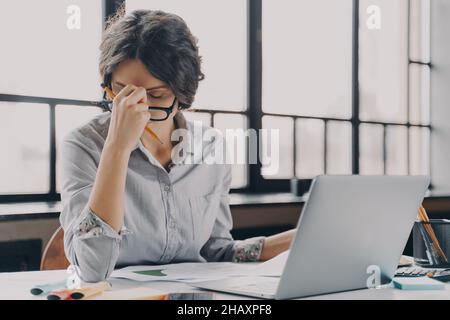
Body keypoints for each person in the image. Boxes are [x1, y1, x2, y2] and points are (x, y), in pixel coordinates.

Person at [60, 8, 295, 282]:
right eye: (121, 92)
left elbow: (216, 251)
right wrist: (117, 148)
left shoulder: (211, 147)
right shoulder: (84, 145)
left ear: (182, 94)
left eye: (155, 95)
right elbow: (92, 268)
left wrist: (297, 240)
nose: (138, 109)